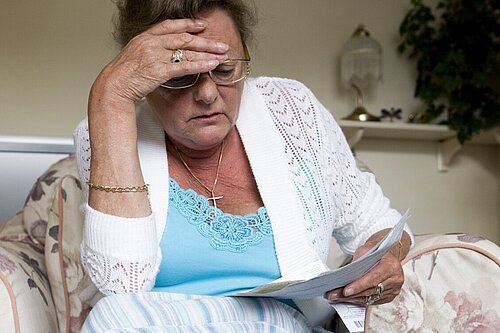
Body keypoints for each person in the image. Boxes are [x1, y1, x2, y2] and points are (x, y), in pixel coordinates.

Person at [74, 0, 413, 331]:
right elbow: (120, 282)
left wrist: (386, 257)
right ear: (143, 78)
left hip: (285, 324)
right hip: (154, 325)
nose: (208, 94)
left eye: (224, 70)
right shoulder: (107, 132)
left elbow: (378, 223)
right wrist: (111, 97)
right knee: (113, 317)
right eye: (180, 77)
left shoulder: (292, 109)